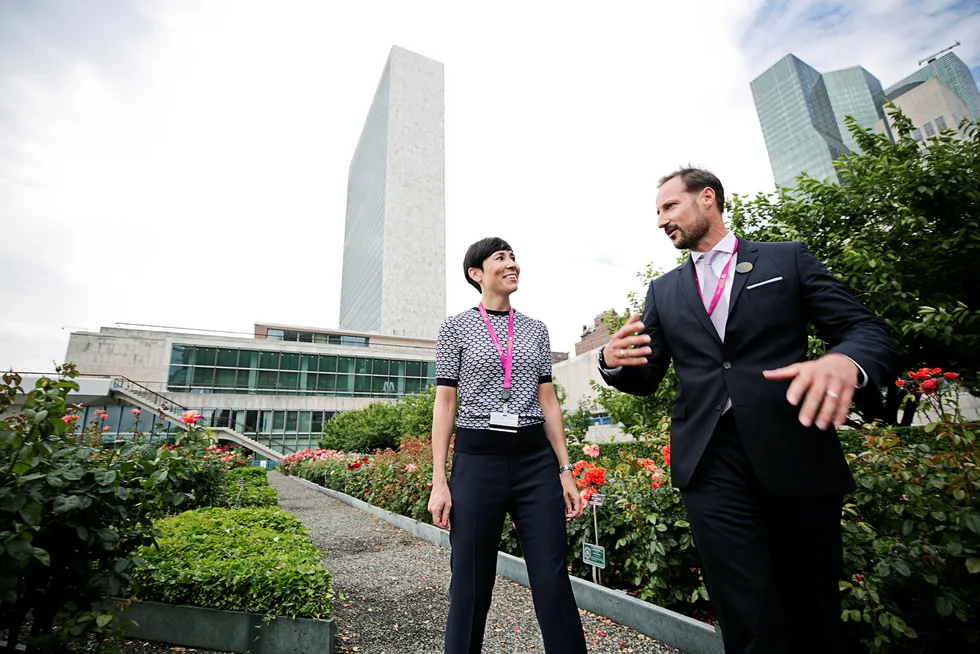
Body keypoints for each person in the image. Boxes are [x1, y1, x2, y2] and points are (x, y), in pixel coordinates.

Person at [598, 168, 893, 653]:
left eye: (669, 207)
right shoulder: (663, 291)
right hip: (710, 462)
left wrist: (844, 360)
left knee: (813, 609)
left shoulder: (786, 259)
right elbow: (645, 377)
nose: (660, 221)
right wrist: (612, 364)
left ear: (707, 199)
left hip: (795, 450)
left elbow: (865, 328)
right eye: (656, 212)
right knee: (745, 611)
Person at [428, 237, 588, 654]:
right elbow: (445, 405)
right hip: (478, 462)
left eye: (514, 257)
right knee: (470, 580)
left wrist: (565, 470)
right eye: (500, 258)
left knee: (552, 577)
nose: (512, 263)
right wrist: (439, 481)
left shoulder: (536, 329)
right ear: (476, 273)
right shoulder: (455, 327)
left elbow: (548, 403)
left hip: (535, 461)